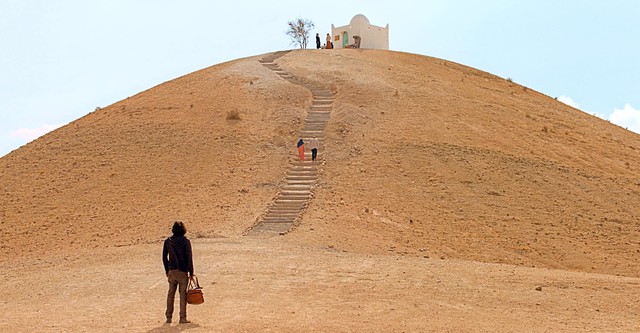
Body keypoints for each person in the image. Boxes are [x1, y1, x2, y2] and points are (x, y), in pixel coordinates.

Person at [162, 221, 194, 324]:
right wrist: (191, 271)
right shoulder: (185, 241)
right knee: (183, 295)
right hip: (182, 271)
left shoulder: (168, 241)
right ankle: (182, 318)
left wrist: (167, 270)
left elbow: (164, 257)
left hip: (172, 271)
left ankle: (168, 317)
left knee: (171, 294)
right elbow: (189, 257)